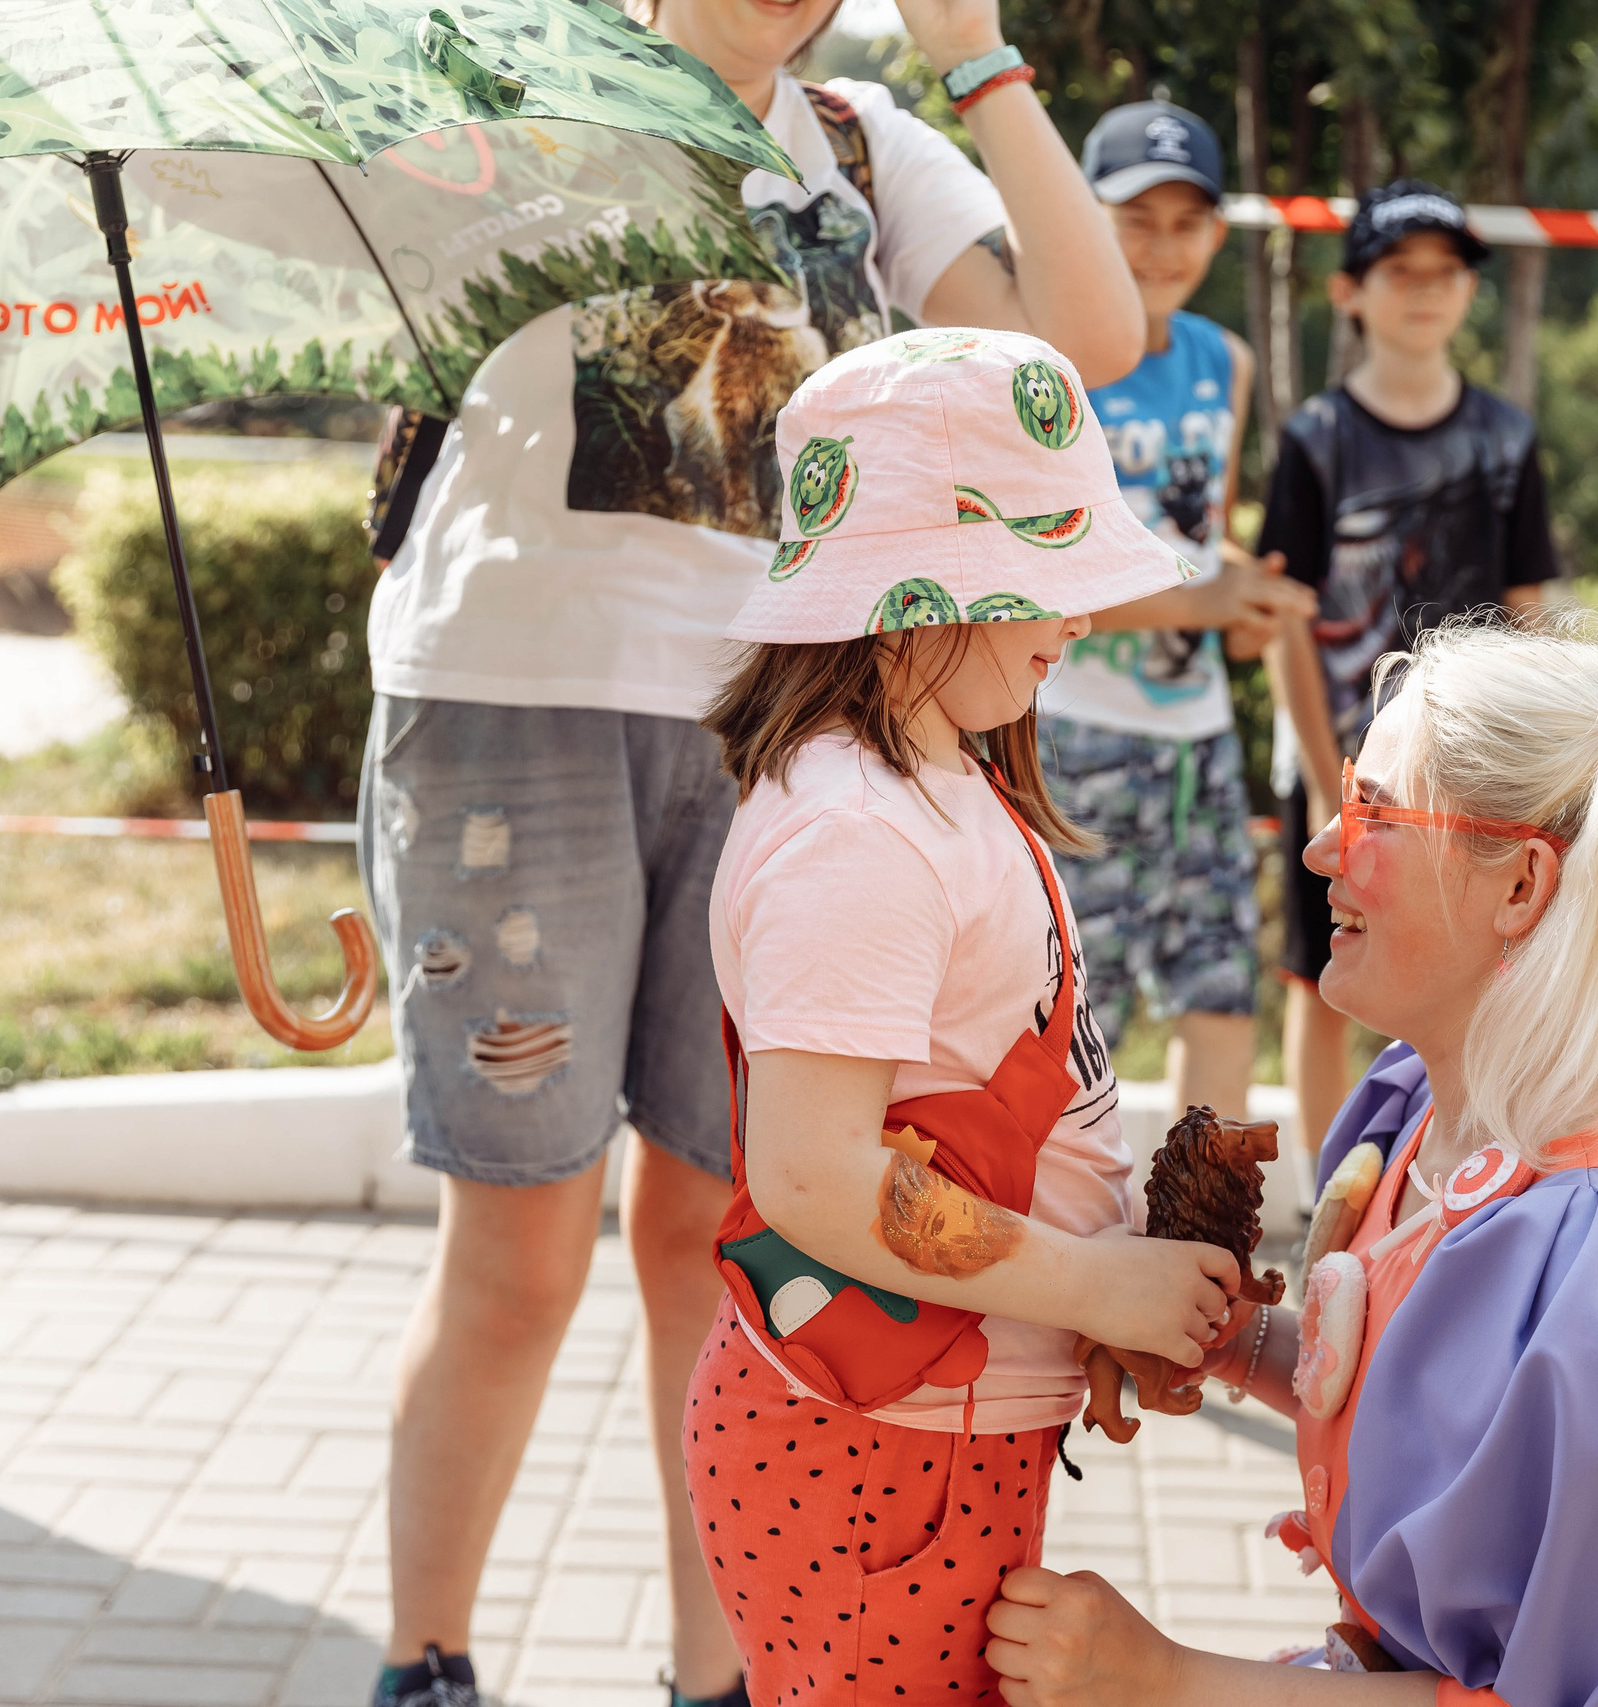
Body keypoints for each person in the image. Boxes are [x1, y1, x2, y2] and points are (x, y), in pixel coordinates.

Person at [355, 1, 1149, 1699]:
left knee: (729, 1228)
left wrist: (978, 53)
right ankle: (426, 1664)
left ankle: (720, 1676)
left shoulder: (862, 140)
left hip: (772, 729)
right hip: (510, 693)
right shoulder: (505, 79)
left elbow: (1083, 346)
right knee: (518, 1243)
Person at [979, 615, 1598, 1706]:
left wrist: (1166, 1679)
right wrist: (1226, 1338)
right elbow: (1428, 1403)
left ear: (1519, 886)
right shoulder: (1419, 1111)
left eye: (1375, 812)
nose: (1323, 848)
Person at [690, 328, 1240, 1707]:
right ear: (933, 582)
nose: (1080, 619)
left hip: (928, 1422)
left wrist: (1097, 1292)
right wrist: (1094, 1283)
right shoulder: (857, 834)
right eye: (1052, 575)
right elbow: (818, 1173)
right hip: (877, 1445)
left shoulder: (929, 778)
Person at [1259, 180, 1559, 1160]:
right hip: (1344, 770)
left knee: (1472, 974)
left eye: (1445, 273)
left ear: (1468, 291)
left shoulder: (1506, 441)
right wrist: (1316, 780)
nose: (1424, 292)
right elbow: (1286, 623)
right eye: (1400, 272)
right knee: (1321, 980)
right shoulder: (1314, 441)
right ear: (1351, 291)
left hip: (1466, 783)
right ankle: (1323, 1197)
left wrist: (1541, 773)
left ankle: (1457, 1177)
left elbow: (1528, 614)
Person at [1035, 100, 1317, 1118]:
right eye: (1133, 217)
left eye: (1186, 219)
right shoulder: (1045, 359)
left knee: (1220, 995)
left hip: (1198, 740)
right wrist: (1204, 597)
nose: (1162, 245)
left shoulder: (1223, 360)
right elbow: (1030, 581)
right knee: (1074, 1017)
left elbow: (1204, 542)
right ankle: (1074, 1260)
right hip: (1073, 734)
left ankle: (1202, 1250)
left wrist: (1249, 604)